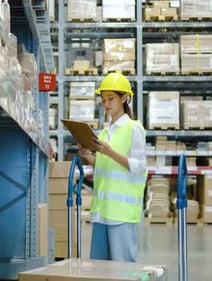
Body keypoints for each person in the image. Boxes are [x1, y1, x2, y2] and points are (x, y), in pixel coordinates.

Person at [78, 72, 147, 262]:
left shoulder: (134, 128)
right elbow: (104, 167)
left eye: (111, 99)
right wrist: (89, 156)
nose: (106, 104)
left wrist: (109, 152)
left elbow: (139, 167)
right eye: (103, 99)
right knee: (100, 269)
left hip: (122, 214)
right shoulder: (105, 133)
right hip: (102, 211)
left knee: (122, 267)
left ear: (124, 98)